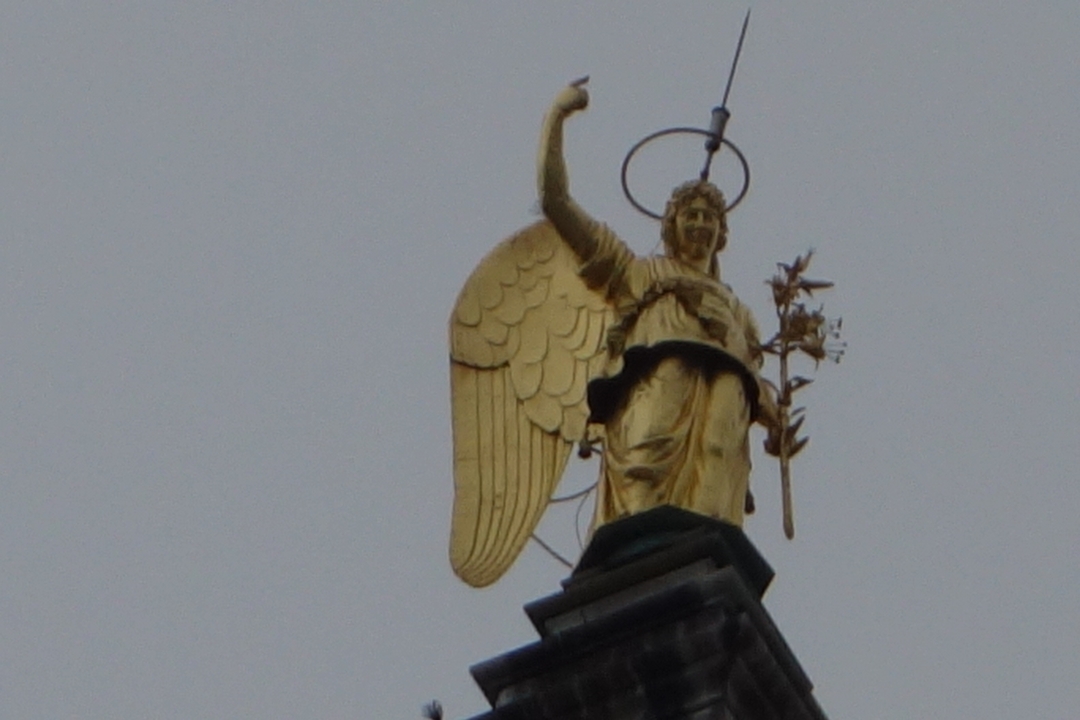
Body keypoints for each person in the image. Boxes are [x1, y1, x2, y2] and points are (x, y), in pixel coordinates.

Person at [538, 79, 779, 528]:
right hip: (655, 394)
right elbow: (556, 201)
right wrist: (557, 115)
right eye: (691, 215)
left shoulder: (737, 310)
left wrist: (776, 418)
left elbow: (755, 380)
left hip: (720, 408)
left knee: (713, 480)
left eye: (709, 218)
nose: (700, 224)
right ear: (671, 225)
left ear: (721, 233)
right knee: (642, 481)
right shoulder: (637, 274)